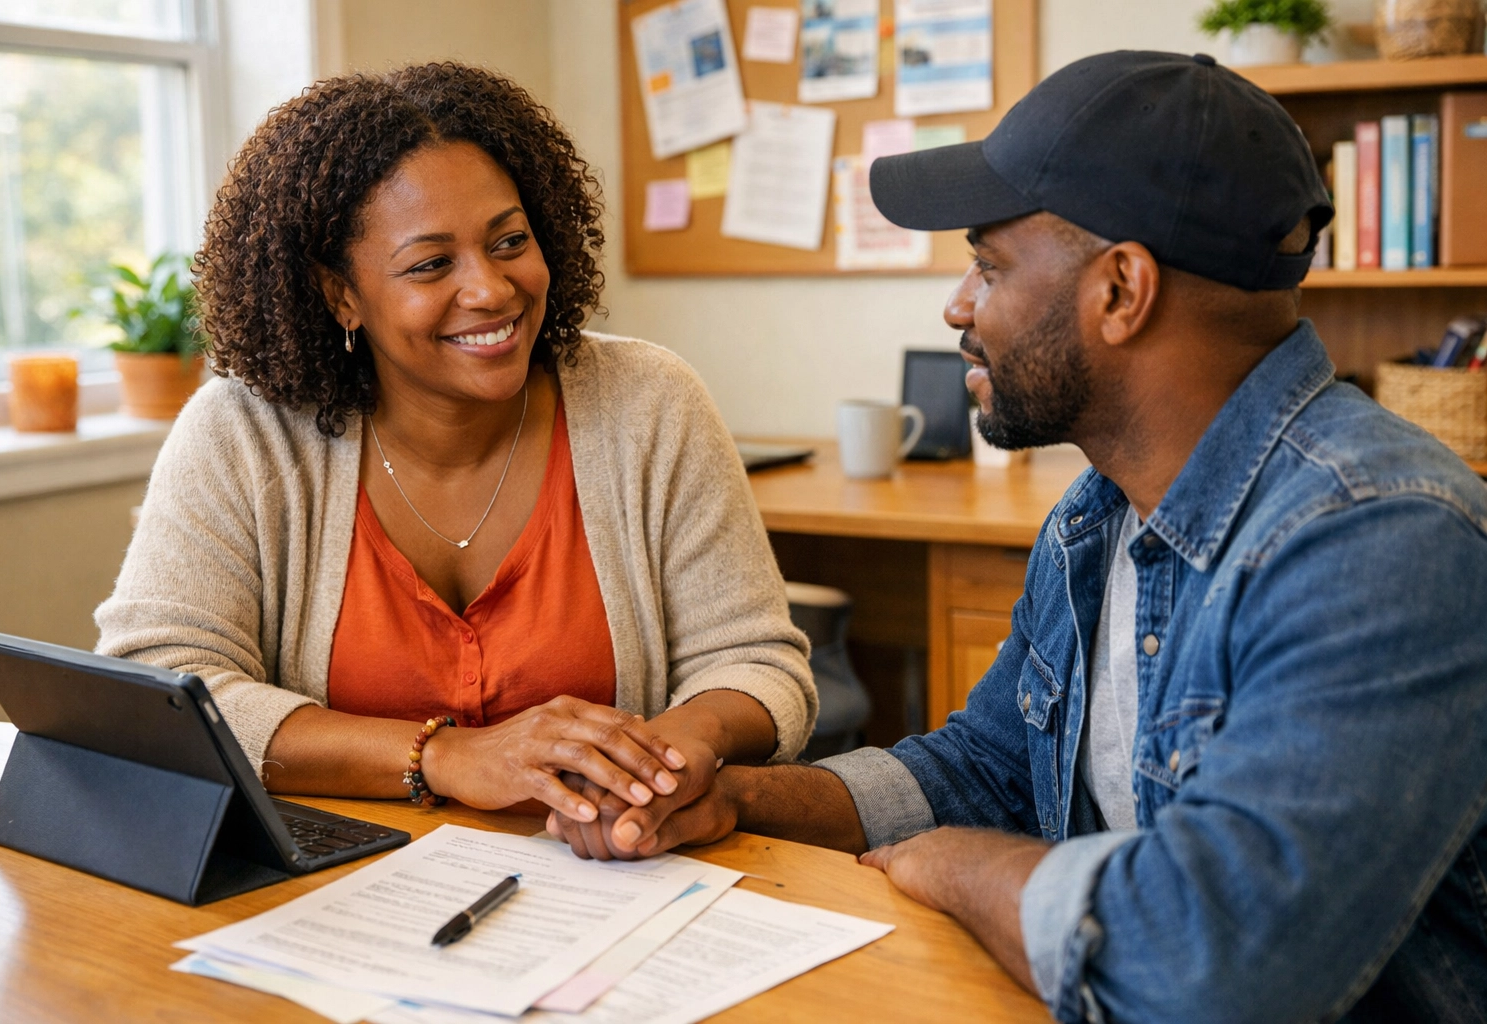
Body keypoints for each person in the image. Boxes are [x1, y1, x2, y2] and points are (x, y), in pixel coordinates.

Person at [546, 52, 1487, 1022]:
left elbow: (1215, 964)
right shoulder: (1099, 516)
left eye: (988, 266)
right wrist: (738, 799)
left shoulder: (1382, 541)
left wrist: (956, 867)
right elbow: (984, 769)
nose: (957, 305)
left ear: (1122, 290)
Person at [96, 63, 815, 834]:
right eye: (432, 264)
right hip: (331, 896)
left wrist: (660, 760)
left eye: (509, 241)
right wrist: (443, 756)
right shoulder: (245, 433)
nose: (492, 289)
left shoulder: (648, 402)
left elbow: (758, 662)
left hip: (606, 877)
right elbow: (156, 687)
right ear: (341, 294)